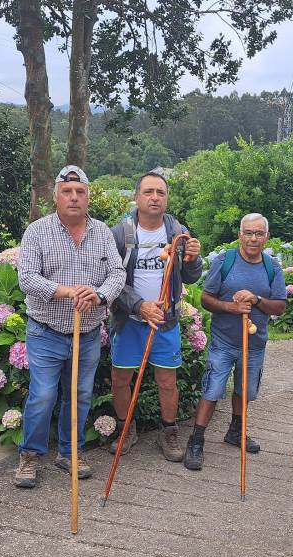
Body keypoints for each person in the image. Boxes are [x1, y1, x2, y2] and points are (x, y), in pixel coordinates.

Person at [14, 165, 127, 489]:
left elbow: (117, 275)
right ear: (56, 196)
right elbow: (27, 279)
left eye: (80, 192)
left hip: (88, 333)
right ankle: (30, 456)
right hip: (46, 331)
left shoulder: (103, 233)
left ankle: (70, 453)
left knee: (79, 396)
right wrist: (68, 291)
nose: (74, 197)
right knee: (43, 395)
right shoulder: (37, 231)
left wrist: (99, 294)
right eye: (67, 191)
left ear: (88, 196)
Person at [108, 171, 203, 461]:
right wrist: (139, 306)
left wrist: (193, 258)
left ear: (167, 198)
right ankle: (126, 429)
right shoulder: (120, 234)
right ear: (137, 197)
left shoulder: (177, 232)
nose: (155, 197)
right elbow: (110, 279)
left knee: (167, 380)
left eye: (160, 193)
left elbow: (191, 276)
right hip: (129, 320)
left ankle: (169, 432)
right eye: (149, 192)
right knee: (121, 379)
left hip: (165, 320)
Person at [183, 213, 287, 471]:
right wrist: (231, 307)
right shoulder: (224, 260)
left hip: (254, 343)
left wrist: (256, 300)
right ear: (240, 235)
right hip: (224, 341)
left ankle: (235, 431)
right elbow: (207, 299)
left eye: (259, 234)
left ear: (267, 237)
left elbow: (281, 306)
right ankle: (196, 440)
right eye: (249, 233)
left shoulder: (272, 266)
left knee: (246, 391)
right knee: (212, 389)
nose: (253, 238)